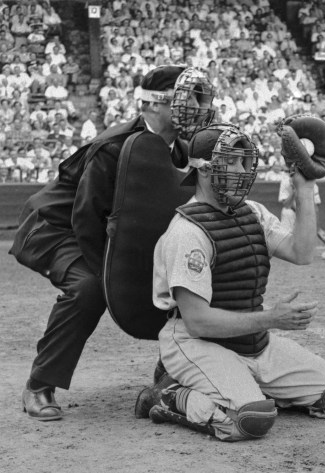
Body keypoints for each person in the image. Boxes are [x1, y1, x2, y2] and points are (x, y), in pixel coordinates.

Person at [10, 65, 216, 421]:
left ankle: (171, 371)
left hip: (101, 231)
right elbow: (85, 215)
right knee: (89, 288)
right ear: (152, 105)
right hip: (56, 229)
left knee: (182, 281)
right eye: (185, 101)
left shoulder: (180, 151)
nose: (195, 109)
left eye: (198, 101)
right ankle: (39, 385)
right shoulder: (114, 146)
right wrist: (113, 277)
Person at [134, 124, 325, 441]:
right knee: (252, 419)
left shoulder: (252, 212)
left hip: (252, 342)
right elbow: (197, 322)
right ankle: (168, 395)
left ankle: (239, 384)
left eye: (244, 160)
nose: (243, 169)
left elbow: (302, 251)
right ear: (206, 169)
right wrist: (271, 318)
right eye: (233, 161)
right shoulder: (187, 232)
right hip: (197, 342)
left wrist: (304, 188)